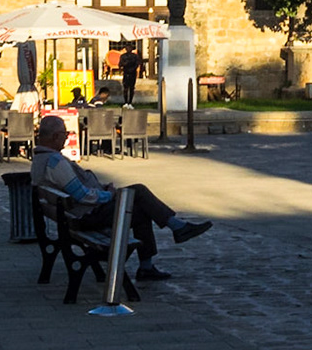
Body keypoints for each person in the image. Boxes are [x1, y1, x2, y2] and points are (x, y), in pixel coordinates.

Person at [29, 115, 213, 281]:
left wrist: (102, 189)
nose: (67, 137)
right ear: (55, 137)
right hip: (86, 216)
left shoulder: (40, 159)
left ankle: (153, 258)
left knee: (140, 209)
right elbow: (83, 195)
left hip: (73, 216)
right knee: (138, 192)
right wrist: (108, 194)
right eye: (65, 134)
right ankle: (175, 229)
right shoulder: (56, 163)